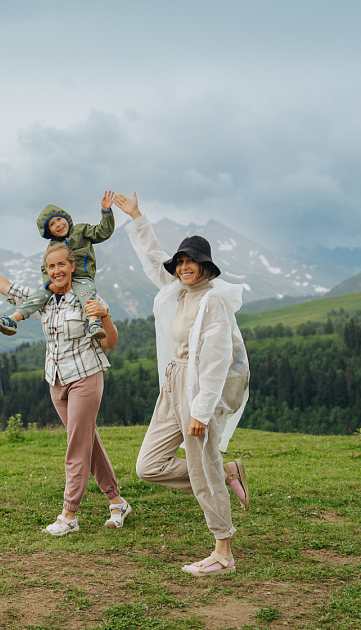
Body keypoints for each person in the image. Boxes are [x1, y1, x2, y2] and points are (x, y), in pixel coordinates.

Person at [0, 240, 132, 535]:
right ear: (46, 270)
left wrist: (105, 315)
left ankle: (69, 515)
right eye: (51, 266)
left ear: (73, 266)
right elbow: (8, 289)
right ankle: (117, 501)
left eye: (62, 264)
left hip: (86, 377)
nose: (57, 270)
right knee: (87, 442)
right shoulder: (43, 299)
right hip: (56, 381)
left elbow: (110, 344)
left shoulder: (88, 297)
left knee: (76, 446)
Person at [115, 192, 250, 576]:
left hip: (196, 389)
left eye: (192, 262)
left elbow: (217, 360)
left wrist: (202, 411)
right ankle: (226, 473)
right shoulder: (178, 290)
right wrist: (137, 217)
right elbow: (152, 260)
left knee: (202, 469)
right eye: (181, 262)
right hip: (172, 382)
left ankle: (223, 553)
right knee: (148, 466)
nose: (184, 267)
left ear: (207, 268)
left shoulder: (214, 302)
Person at [0, 192, 116, 341]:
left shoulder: (81, 230)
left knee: (87, 296)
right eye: (52, 224)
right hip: (58, 282)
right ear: (48, 231)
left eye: (59, 219)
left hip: (82, 277)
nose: (58, 225)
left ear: (66, 217)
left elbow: (103, 232)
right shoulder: (53, 245)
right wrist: (49, 285)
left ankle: (93, 324)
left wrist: (106, 212)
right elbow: (45, 268)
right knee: (38, 297)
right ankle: (12, 320)